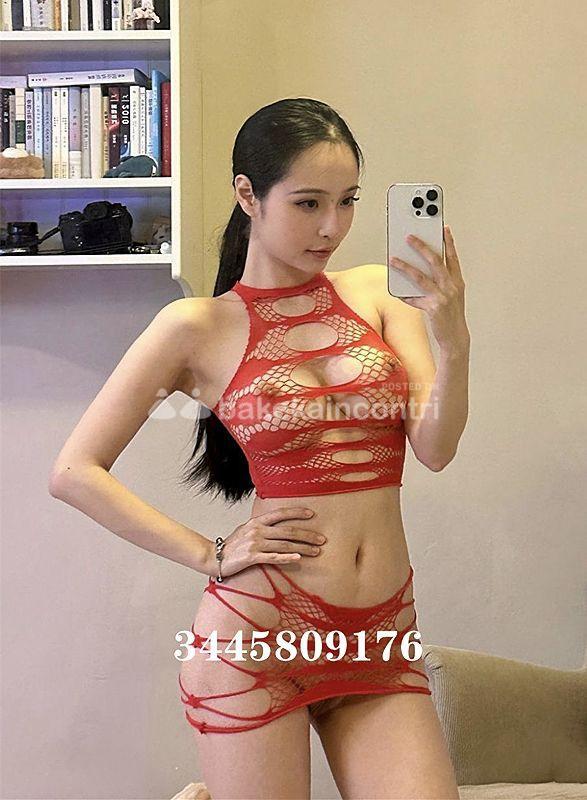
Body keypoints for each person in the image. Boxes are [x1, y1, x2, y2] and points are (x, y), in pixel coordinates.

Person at [49, 97, 469, 799]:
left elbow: (435, 447)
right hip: (256, 639)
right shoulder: (195, 326)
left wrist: (453, 342)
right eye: (307, 203)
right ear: (248, 195)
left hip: (382, 634)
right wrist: (209, 553)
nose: (331, 226)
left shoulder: (378, 292)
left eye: (347, 201)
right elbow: (73, 471)